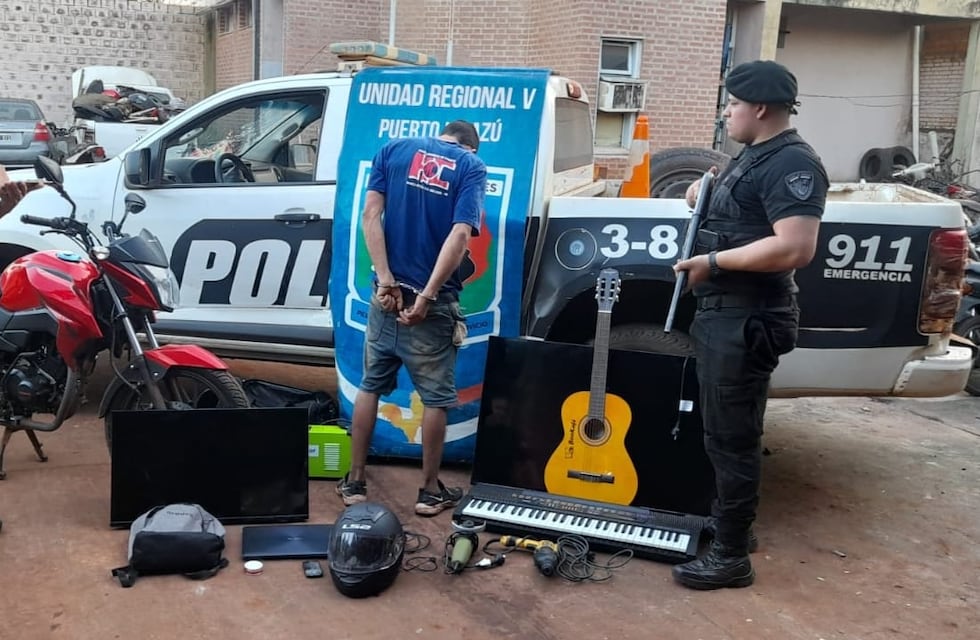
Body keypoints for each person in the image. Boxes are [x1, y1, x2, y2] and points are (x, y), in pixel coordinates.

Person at [671, 60, 828, 590]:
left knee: (731, 438)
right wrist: (701, 190)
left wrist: (712, 264)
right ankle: (730, 523)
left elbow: (794, 246)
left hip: (748, 315)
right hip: (728, 312)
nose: (726, 111)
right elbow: (721, 203)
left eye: (733, 103)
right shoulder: (753, 156)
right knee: (724, 431)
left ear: (760, 108)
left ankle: (733, 556)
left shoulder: (792, 164)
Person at [337, 120, 487, 517]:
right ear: (470, 146)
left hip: (385, 296)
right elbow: (459, 236)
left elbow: (371, 216)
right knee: (436, 400)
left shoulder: (392, 149)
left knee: (369, 386)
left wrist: (386, 281)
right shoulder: (471, 167)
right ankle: (428, 491)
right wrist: (426, 296)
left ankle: (354, 482)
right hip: (430, 306)